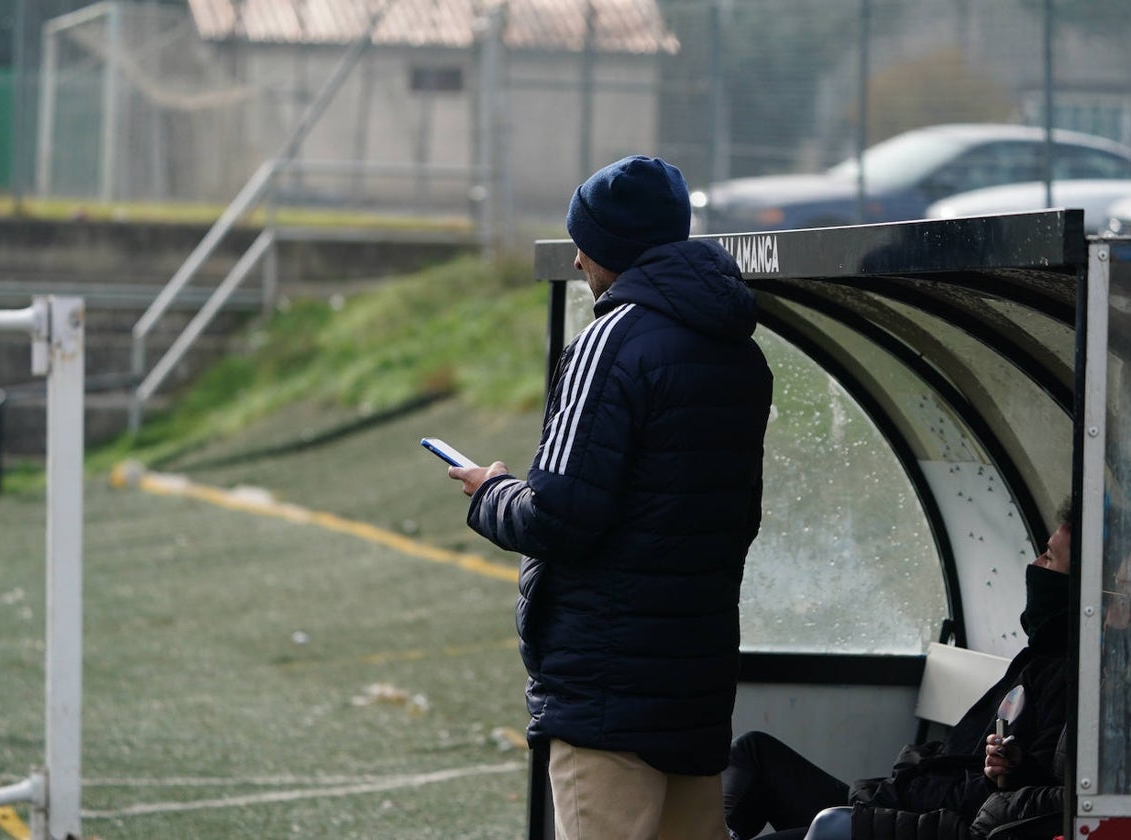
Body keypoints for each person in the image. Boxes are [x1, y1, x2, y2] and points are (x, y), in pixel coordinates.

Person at [442, 155, 773, 839]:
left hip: (606, 696)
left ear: (603, 248)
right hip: (696, 689)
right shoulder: (738, 353)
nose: (579, 261)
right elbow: (739, 520)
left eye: (583, 243)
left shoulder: (611, 341)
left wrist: (489, 492)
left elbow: (560, 516)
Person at [722, 509, 1073, 840]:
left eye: (1049, 558)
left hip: (916, 821)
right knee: (755, 751)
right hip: (893, 803)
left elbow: (1033, 794)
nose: (1035, 564)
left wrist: (1012, 769)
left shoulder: (1066, 677)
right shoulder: (1036, 659)